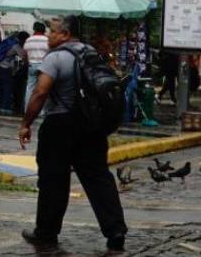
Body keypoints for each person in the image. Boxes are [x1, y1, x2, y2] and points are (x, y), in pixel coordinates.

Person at [18, 16, 127, 253]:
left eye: (53, 32)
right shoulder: (91, 53)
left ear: (65, 34)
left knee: (53, 179)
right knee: (98, 178)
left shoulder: (56, 57)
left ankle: (46, 232)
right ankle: (115, 230)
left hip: (60, 124)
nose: (48, 36)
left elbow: (40, 93)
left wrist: (26, 123)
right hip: (92, 126)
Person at [24, 21, 50, 107]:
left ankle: (27, 108)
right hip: (44, 66)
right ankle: (41, 111)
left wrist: (28, 63)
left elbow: (25, 54)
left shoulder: (28, 40)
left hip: (31, 65)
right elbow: (50, 54)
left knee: (30, 88)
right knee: (43, 88)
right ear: (44, 30)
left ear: (34, 29)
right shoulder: (47, 40)